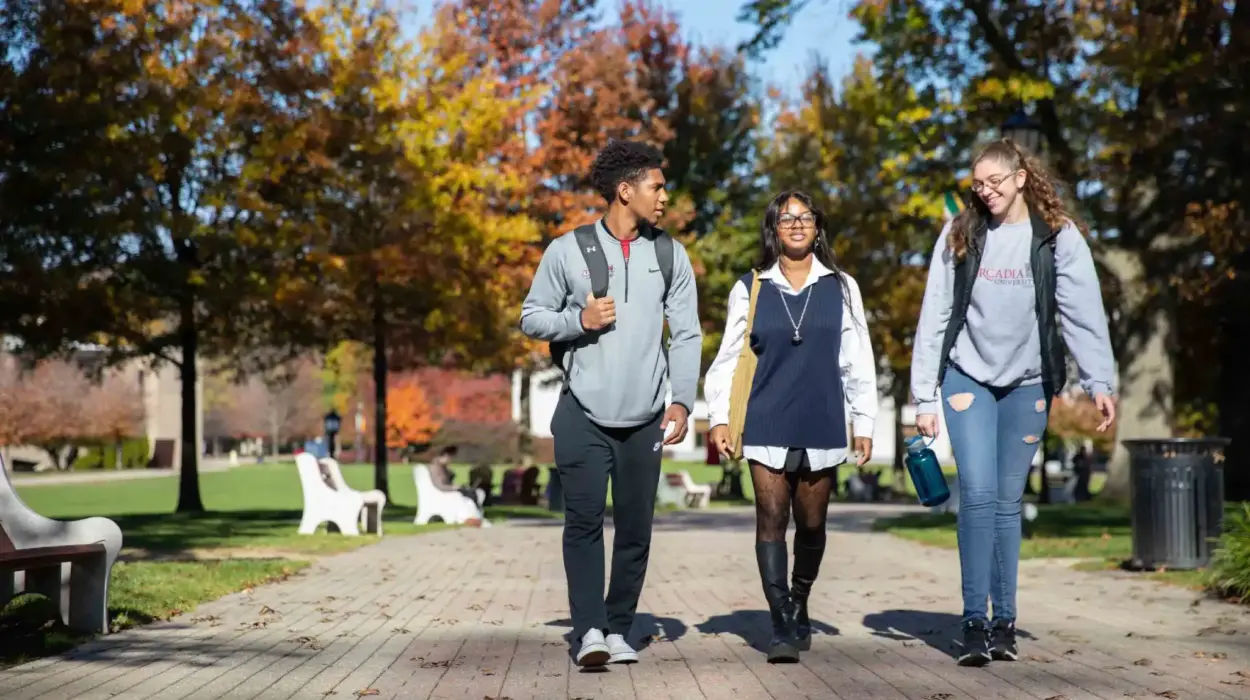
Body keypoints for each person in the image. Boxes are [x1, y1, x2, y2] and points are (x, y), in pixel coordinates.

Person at [910, 139, 1117, 666]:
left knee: (1007, 502)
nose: (986, 191)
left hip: (1027, 384)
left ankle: (1005, 620)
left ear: (1021, 177)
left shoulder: (1058, 237)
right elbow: (935, 312)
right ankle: (973, 623)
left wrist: (1100, 381)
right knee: (976, 494)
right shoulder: (962, 231)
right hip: (967, 378)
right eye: (978, 183)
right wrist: (922, 395)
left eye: (995, 182)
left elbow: (1082, 313)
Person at [518, 139, 701, 667]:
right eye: (657, 187)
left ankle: (620, 628)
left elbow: (687, 334)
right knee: (582, 524)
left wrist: (681, 402)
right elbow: (532, 316)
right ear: (626, 191)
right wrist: (579, 321)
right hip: (582, 414)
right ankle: (590, 630)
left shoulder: (669, 254)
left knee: (637, 530)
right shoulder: (567, 250)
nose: (664, 197)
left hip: (644, 419)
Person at [704, 191, 878, 663]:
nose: (797, 225)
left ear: (818, 227)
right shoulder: (751, 286)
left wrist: (864, 420)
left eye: (806, 217)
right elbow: (727, 358)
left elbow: (859, 360)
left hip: (822, 416)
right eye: (787, 218)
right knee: (771, 519)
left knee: (813, 524)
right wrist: (719, 417)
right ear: (773, 229)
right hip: (767, 416)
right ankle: (780, 618)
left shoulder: (843, 287)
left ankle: (800, 596)